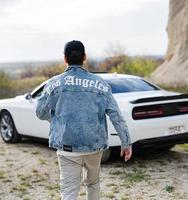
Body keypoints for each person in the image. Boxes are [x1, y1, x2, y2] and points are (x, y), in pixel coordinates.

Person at [36, 40, 132, 200]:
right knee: (93, 184)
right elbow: (116, 115)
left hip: (67, 147)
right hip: (94, 146)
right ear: (84, 57)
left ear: (65, 58)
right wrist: (126, 142)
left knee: (68, 192)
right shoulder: (100, 84)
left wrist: (56, 120)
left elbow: (40, 112)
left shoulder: (54, 84)